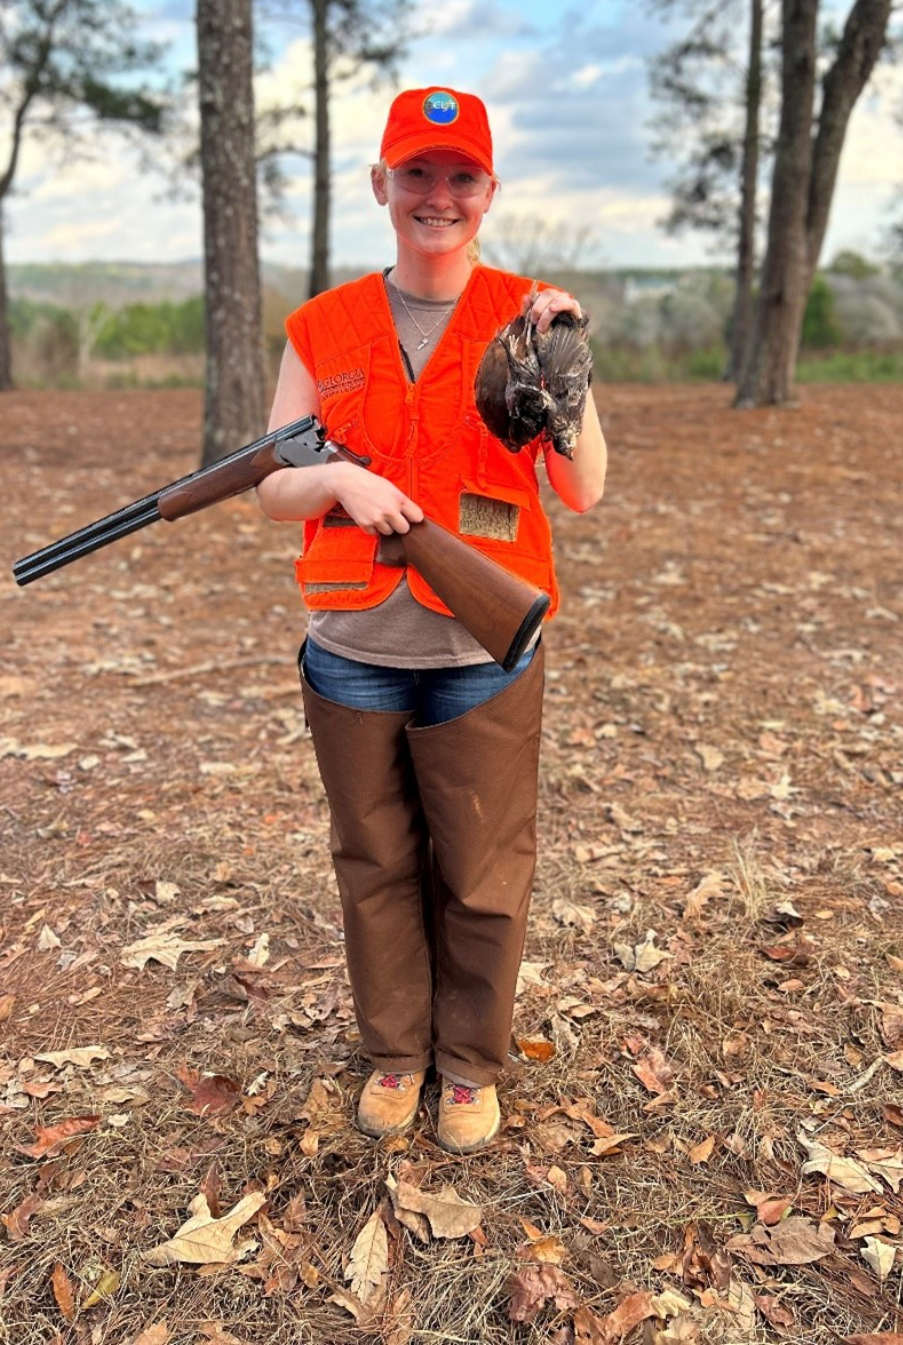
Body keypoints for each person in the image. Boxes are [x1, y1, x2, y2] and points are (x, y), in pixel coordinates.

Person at [257, 85, 606, 1154]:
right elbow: (272, 481)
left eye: (461, 177)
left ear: (490, 192)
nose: (437, 195)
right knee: (373, 863)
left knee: (484, 870)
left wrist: (565, 371)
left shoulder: (530, 316)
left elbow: (584, 487)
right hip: (352, 645)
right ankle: (395, 1054)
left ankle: (467, 1066)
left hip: (479, 648)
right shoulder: (323, 326)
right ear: (382, 184)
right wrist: (337, 483)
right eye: (417, 172)